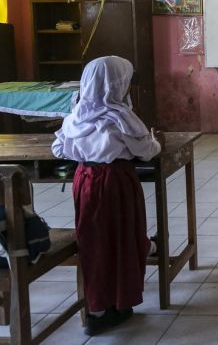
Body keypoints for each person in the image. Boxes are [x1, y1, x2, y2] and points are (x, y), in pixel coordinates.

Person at [51, 56, 162, 336]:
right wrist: (154, 139)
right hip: (116, 184)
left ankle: (97, 308)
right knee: (122, 239)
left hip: (85, 182)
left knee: (94, 242)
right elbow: (147, 151)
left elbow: (59, 148)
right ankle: (116, 302)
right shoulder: (121, 118)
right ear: (117, 86)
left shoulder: (76, 116)